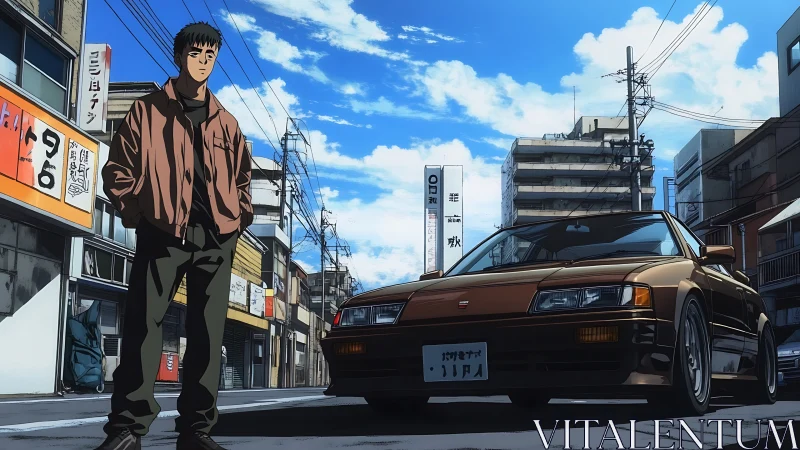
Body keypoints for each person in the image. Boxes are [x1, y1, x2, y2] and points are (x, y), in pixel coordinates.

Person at [94, 21, 253, 450]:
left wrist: (240, 218)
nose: (202, 63)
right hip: (163, 232)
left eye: (210, 56)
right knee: (143, 326)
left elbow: (242, 180)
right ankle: (127, 429)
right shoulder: (147, 111)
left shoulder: (228, 124)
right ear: (179, 56)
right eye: (195, 54)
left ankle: (196, 432)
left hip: (218, 239)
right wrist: (139, 217)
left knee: (208, 334)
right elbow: (118, 171)